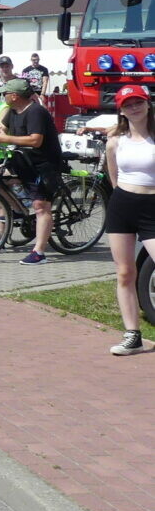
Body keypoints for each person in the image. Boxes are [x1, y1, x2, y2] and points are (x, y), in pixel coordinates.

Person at [103, 85, 155, 354]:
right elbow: (114, 177)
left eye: (138, 103)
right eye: (127, 105)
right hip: (122, 205)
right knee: (125, 272)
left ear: (147, 104)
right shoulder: (115, 141)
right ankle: (133, 335)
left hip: (152, 206)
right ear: (121, 111)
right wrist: (120, 202)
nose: (133, 108)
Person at [0, 78, 64, 265]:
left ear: (14, 96)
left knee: (41, 206)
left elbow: (35, 140)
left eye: (5, 93)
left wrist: (6, 138)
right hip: (21, 160)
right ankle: (17, 209)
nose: (3, 96)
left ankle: (39, 253)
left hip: (43, 164)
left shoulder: (35, 112)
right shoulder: (12, 111)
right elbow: (1, 131)